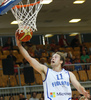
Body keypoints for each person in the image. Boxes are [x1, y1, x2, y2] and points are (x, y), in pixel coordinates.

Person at [15, 32, 90, 100]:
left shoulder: (69, 74)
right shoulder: (46, 71)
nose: (52, 58)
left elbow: (78, 86)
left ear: (61, 61)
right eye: (52, 57)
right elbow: (29, 59)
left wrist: (82, 90)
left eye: (55, 57)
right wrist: (19, 45)